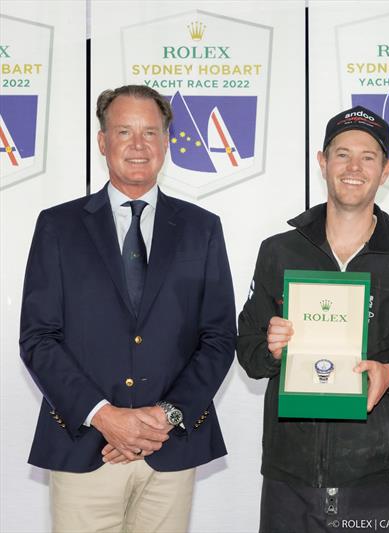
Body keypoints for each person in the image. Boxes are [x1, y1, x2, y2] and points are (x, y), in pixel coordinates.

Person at [19, 85, 236, 532]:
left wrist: (163, 418)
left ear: (166, 142)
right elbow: (39, 338)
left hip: (170, 451)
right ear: (103, 142)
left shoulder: (202, 229)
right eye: (124, 131)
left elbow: (218, 339)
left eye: (151, 133)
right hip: (84, 449)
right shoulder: (58, 227)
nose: (139, 145)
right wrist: (106, 417)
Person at [237, 105, 389, 532]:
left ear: (386, 169)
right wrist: (273, 349)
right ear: (322, 162)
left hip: (378, 482)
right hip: (289, 480)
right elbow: (248, 350)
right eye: (342, 154)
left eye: (368, 157)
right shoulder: (278, 251)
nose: (354, 167)